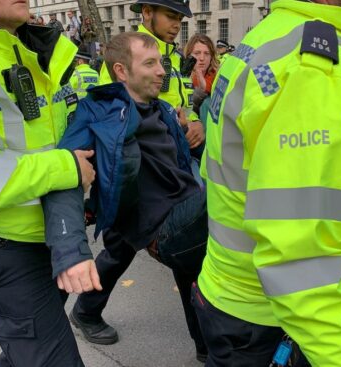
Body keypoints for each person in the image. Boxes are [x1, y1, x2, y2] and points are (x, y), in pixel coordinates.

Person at [194, 0, 341, 365]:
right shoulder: (310, 69)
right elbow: (299, 269)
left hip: (248, 299)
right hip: (275, 316)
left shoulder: (278, 35)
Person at [0, 0, 99, 366]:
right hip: (8, 251)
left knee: (23, 354)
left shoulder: (39, 51)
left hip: (53, 240)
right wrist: (67, 167)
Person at [43, 31, 209, 363]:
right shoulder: (96, 111)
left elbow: (180, 167)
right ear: (121, 71)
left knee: (196, 275)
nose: (162, 71)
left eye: (160, 63)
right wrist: (69, 250)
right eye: (150, 64)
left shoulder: (162, 109)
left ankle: (208, 349)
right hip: (158, 228)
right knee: (229, 194)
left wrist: (197, 136)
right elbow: (64, 173)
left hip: (181, 211)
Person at [99, 0, 205, 151]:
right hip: (149, 155)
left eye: (180, 19)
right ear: (147, 12)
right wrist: (170, 125)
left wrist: (195, 122)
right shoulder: (124, 53)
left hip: (180, 150)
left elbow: (185, 106)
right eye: (171, 16)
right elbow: (113, 114)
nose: (177, 25)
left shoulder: (177, 58)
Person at [184, 34, 219, 120]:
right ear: (189, 55)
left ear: (212, 57)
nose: (202, 58)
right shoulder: (180, 76)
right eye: (197, 53)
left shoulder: (218, 79)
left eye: (207, 53)